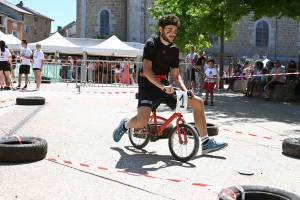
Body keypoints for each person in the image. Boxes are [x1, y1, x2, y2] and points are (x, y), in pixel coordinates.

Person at [112, 14, 228, 154]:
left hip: (165, 86)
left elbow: (176, 76)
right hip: (148, 86)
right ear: (160, 29)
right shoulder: (151, 44)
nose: (173, 33)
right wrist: (162, 87)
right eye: (169, 29)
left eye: (175, 30)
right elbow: (147, 71)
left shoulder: (174, 49)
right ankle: (125, 125)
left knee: (198, 103)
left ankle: (205, 143)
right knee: (142, 121)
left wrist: (185, 90)